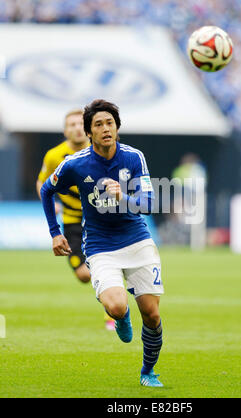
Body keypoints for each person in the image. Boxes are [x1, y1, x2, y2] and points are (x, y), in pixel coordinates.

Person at [40, 99, 164, 387]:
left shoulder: (134, 157)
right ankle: (121, 318)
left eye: (110, 123)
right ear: (89, 132)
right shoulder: (75, 163)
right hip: (100, 245)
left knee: (152, 313)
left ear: (117, 128)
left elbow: (147, 203)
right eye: (98, 124)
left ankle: (148, 371)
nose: (105, 128)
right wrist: (54, 232)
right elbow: (47, 190)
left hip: (137, 240)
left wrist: (123, 197)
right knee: (118, 307)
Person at [36, 109, 115, 331]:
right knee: (83, 274)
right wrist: (51, 203)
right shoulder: (54, 156)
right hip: (71, 220)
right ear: (65, 130)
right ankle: (111, 294)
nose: (76, 128)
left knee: (105, 265)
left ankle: (112, 310)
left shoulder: (100, 151)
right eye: (71, 125)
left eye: (80, 124)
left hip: (99, 218)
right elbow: (42, 183)